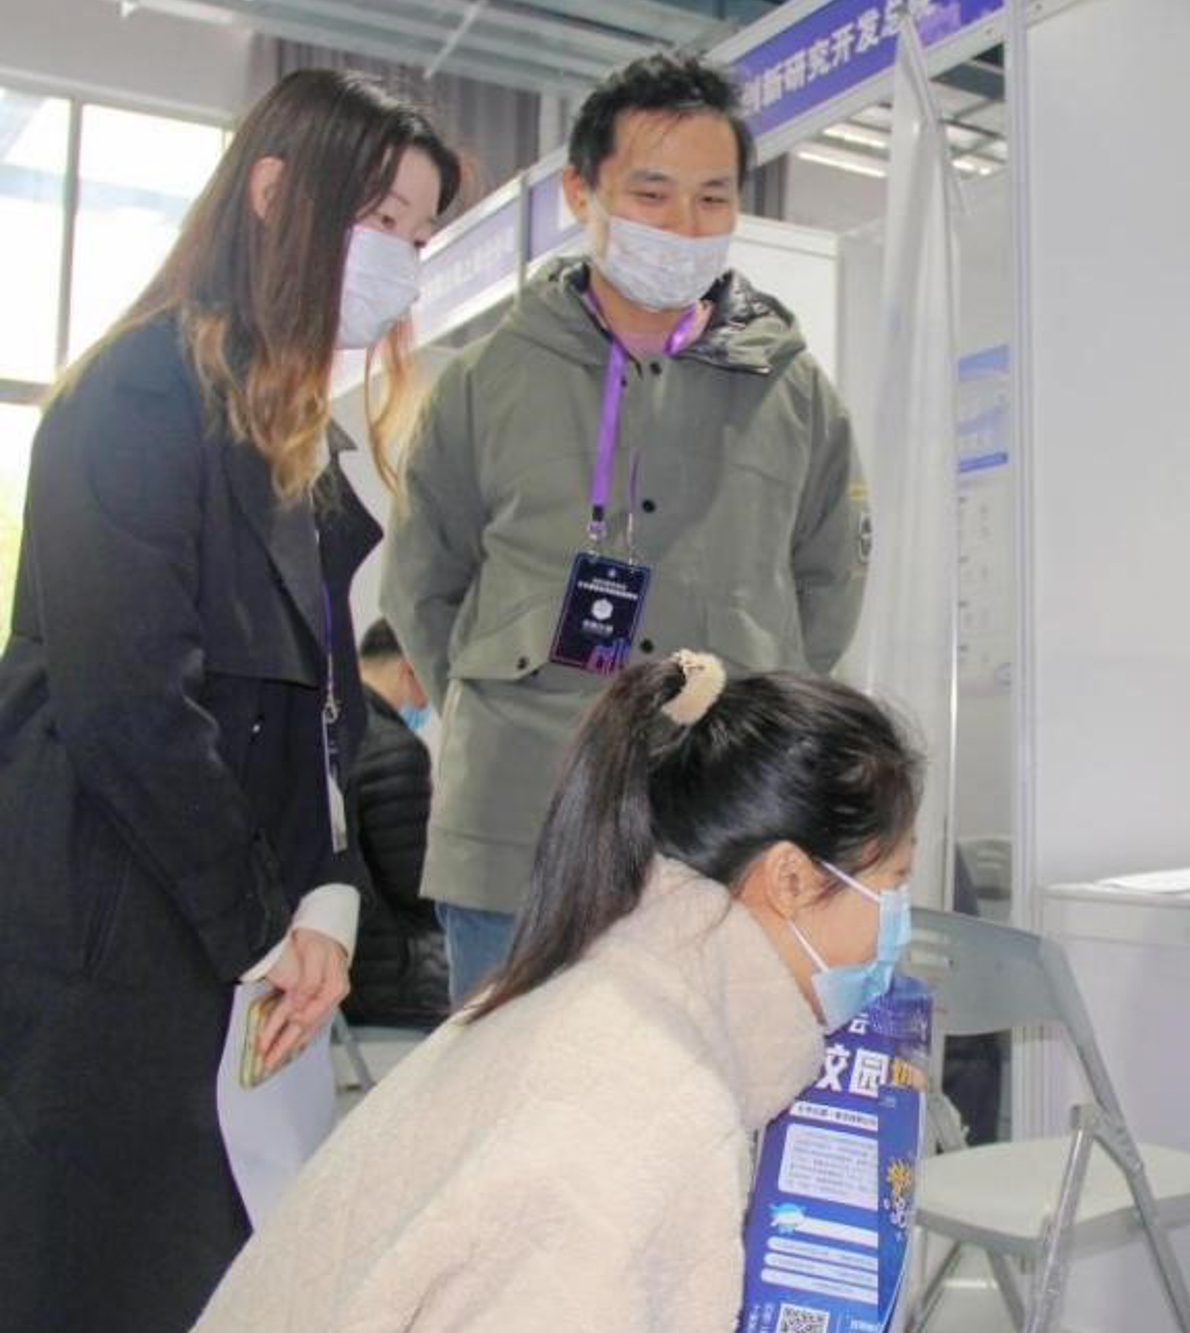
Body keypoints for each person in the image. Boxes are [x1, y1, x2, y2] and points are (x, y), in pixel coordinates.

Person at [0, 71, 458, 1332]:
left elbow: (328, 713)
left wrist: (328, 900)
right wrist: (269, 928)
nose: (402, 260)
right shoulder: (141, 392)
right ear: (273, 191)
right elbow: (130, 705)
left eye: (421, 235)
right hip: (114, 944)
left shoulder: (295, 435)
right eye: (380, 220)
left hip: (229, 950)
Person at [193, 650, 922, 1331]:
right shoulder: (648, 1115)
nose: (900, 921)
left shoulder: (598, 998)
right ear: (790, 879)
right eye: (894, 881)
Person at [383, 52, 869, 1004]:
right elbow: (422, 583)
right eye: (651, 193)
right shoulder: (485, 380)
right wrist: (501, 707)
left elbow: (827, 594)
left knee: (702, 1090)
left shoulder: (799, 397)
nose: (683, 225)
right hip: (516, 833)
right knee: (505, 1090)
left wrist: (746, 731)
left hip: (716, 841)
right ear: (581, 192)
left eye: (712, 198)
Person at [345, 618, 451, 1028]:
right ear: (411, 669)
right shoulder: (394, 749)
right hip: (391, 970)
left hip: (345, 957)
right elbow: (417, 886)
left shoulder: (332, 730)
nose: (425, 706)